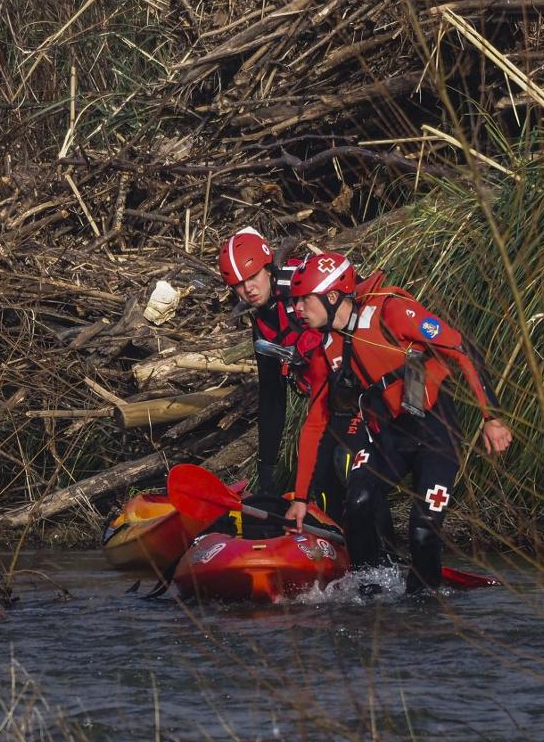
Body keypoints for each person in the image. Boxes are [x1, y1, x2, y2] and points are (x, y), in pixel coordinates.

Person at [282, 251, 513, 592]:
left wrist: (492, 417)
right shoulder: (325, 348)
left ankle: (425, 604)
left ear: (332, 297)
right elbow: (315, 422)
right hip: (389, 435)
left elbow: (461, 350)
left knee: (422, 530)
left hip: (436, 432)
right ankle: (369, 589)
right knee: (358, 502)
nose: (296, 310)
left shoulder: (391, 311)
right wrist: (300, 499)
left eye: (303, 301)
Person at [217, 227, 311, 494]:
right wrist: (266, 465)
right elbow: (272, 396)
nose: (249, 289)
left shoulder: (304, 287)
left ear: (268, 267)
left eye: (253, 276)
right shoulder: (263, 325)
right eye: (239, 284)